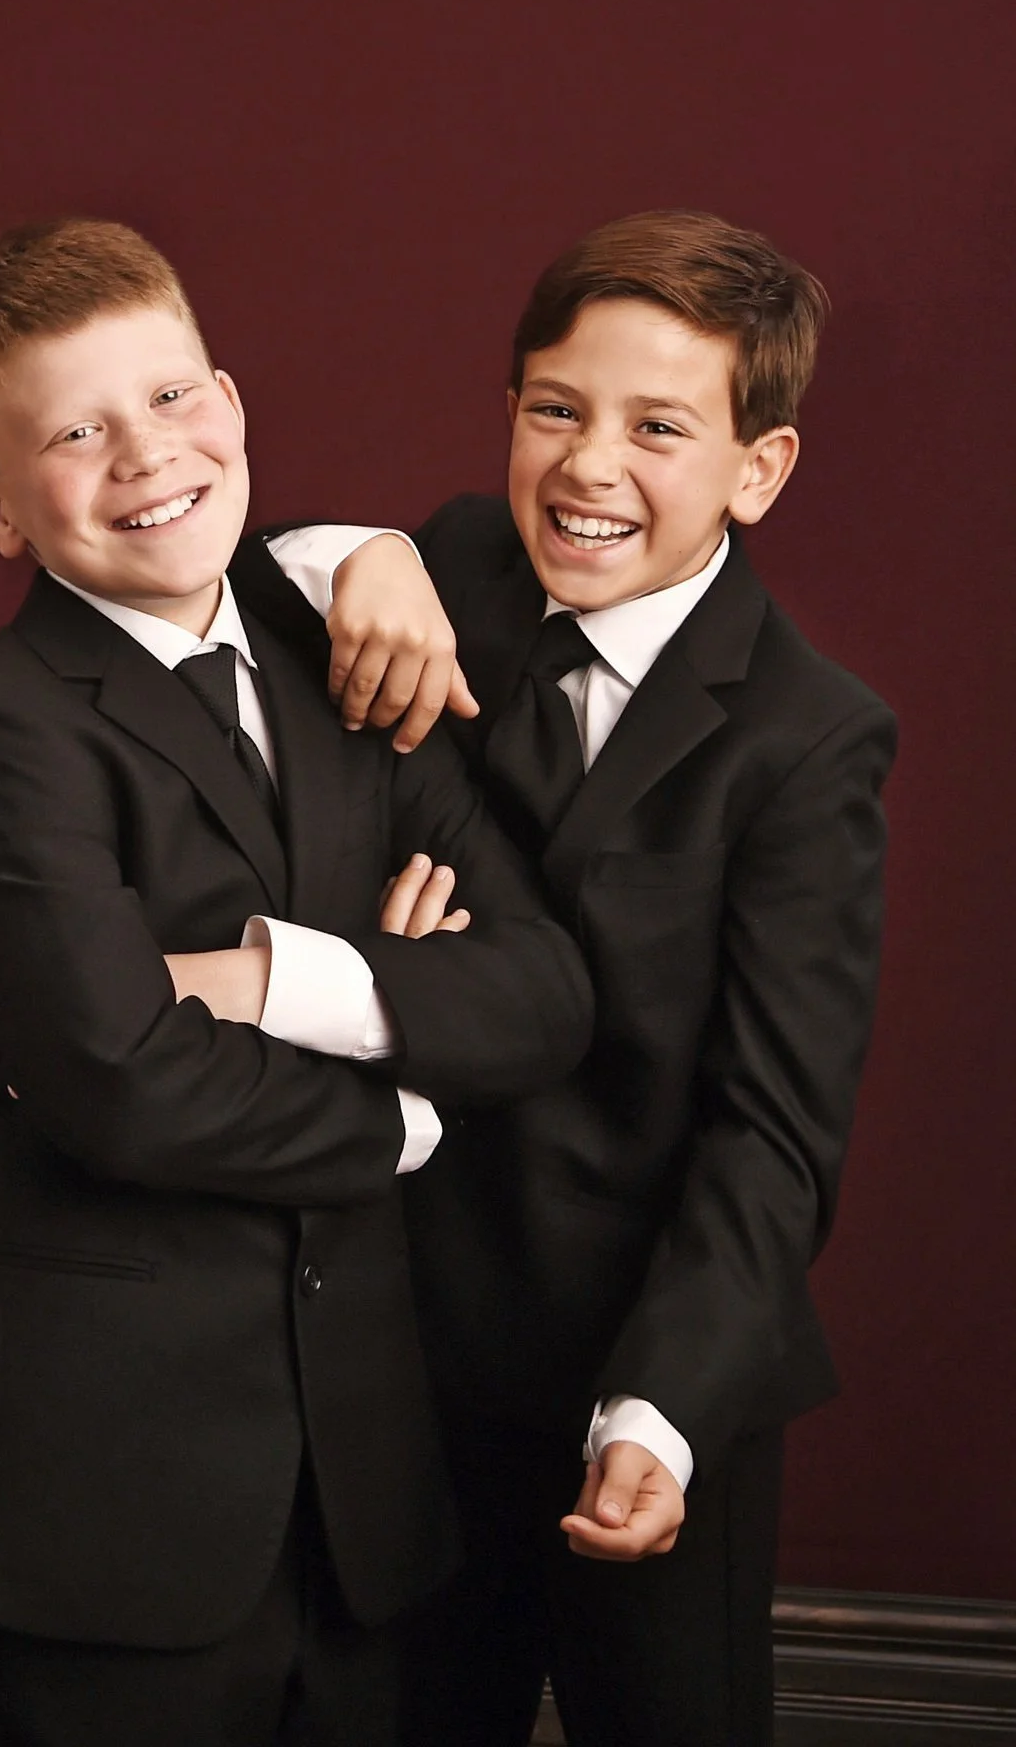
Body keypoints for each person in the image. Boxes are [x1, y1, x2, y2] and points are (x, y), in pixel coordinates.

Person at [0, 217, 592, 1745]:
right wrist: (403, 1113)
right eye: (75, 430)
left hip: (367, 1481)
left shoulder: (353, 664)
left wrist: (293, 982)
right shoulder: (2, 733)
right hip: (110, 1488)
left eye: (169, 398)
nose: (146, 455)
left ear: (233, 403)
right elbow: (127, 1085)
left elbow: (545, 993)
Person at [266, 210, 895, 1746]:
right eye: (555, 409)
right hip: (407, 1352)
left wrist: (663, 1414)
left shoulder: (807, 739)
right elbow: (253, 576)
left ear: (761, 470)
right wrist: (365, 552)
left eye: (657, 428)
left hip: (653, 1355)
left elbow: (775, 1127)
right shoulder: (458, 564)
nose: (587, 466)